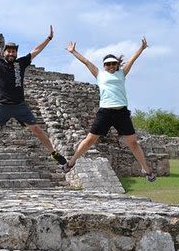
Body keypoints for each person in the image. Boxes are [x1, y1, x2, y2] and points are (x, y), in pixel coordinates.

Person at [0, 22, 68, 167]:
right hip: (2, 105)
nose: (11, 54)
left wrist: (48, 38)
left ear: (16, 53)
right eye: (8, 51)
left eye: (13, 52)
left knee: (36, 129)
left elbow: (36, 50)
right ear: (4, 52)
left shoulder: (21, 63)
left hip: (19, 105)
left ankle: (54, 153)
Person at [63, 38, 156, 182]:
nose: (111, 66)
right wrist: (73, 51)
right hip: (105, 112)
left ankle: (146, 169)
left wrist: (141, 48)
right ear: (104, 66)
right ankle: (72, 161)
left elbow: (132, 59)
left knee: (133, 143)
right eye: (108, 64)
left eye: (114, 63)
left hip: (121, 112)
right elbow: (86, 62)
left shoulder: (122, 73)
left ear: (117, 65)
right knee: (90, 140)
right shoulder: (99, 74)